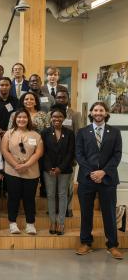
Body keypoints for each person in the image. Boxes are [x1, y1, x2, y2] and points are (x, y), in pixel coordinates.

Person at [75, 102, 123, 259]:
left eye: (101, 110)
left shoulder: (115, 132)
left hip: (108, 179)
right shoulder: (82, 132)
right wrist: (91, 173)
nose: (98, 112)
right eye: (95, 110)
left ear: (106, 112)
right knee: (86, 213)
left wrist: (103, 172)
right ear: (91, 112)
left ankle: (112, 245)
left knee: (109, 213)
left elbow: (117, 155)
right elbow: (79, 155)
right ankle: (86, 243)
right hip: (86, 179)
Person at [1, 108, 43, 235]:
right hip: (12, 171)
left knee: (29, 198)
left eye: (24, 117)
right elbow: (4, 150)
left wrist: (27, 165)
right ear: (15, 119)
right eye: (19, 117)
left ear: (28, 119)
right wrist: (16, 165)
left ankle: (30, 224)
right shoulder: (8, 133)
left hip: (31, 172)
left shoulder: (36, 135)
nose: (21, 119)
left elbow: (39, 152)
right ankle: (12, 223)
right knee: (13, 197)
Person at [41, 106, 75, 236]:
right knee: (50, 195)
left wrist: (60, 168)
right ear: (51, 118)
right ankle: (52, 221)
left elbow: (70, 153)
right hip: (48, 170)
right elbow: (43, 152)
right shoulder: (45, 132)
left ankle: (61, 223)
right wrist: (50, 168)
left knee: (62, 195)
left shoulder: (70, 133)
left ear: (64, 118)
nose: (57, 119)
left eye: (60, 117)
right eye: (54, 117)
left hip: (64, 170)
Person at [54, 89, 81, 217]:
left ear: (68, 99)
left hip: (70, 156)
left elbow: (78, 135)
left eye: (63, 97)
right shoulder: (51, 114)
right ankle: (56, 207)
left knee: (68, 185)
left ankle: (68, 208)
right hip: (55, 156)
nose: (60, 99)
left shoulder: (75, 115)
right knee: (55, 185)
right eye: (58, 97)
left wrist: (75, 156)